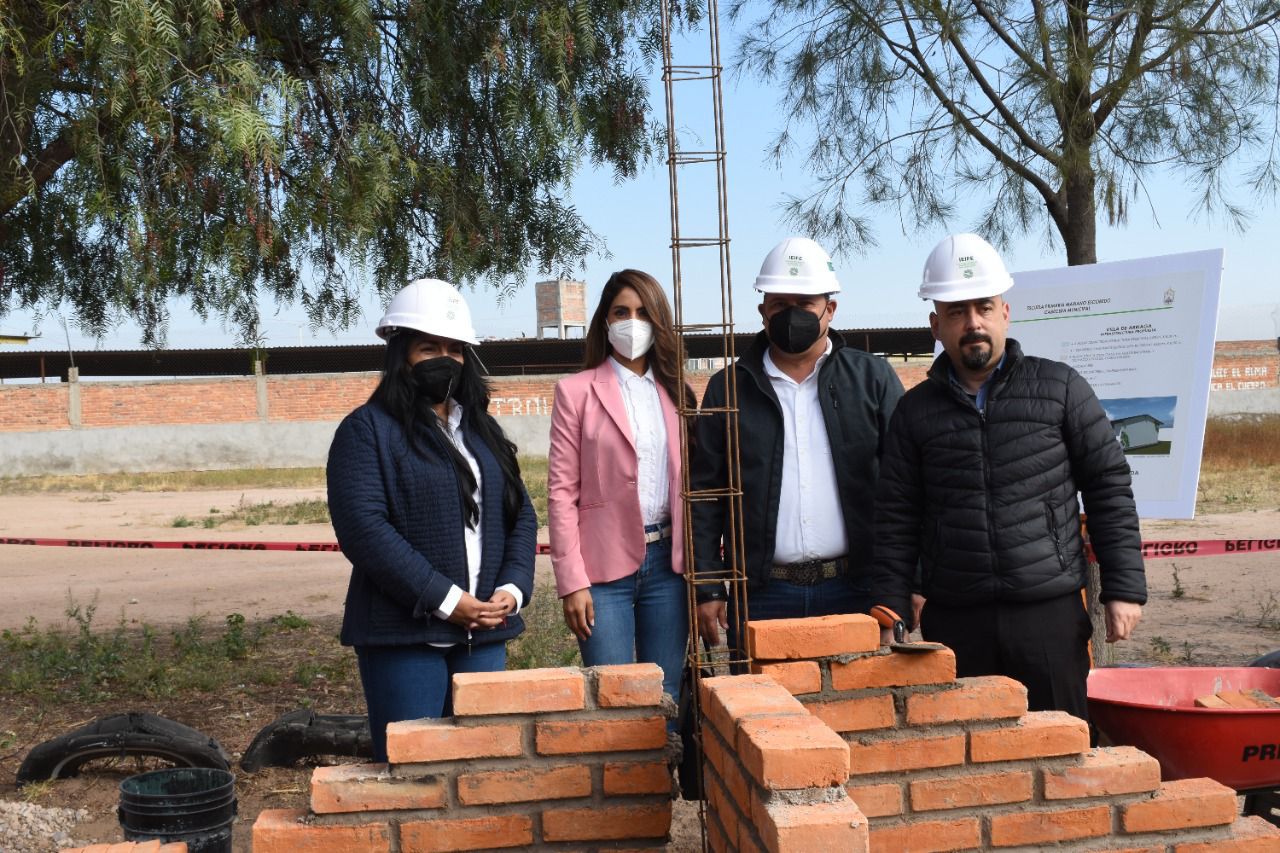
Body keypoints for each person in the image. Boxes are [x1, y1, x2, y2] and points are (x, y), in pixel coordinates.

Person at [870, 233, 1147, 720]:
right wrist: (891, 604)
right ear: (936, 325)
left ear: (1005, 313)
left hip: (1048, 614)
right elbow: (896, 515)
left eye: (983, 307)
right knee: (968, 752)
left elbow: (1109, 487)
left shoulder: (1060, 388)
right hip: (956, 620)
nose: (972, 323)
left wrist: (1122, 587)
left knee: (1061, 746)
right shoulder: (915, 412)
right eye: (956, 312)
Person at [327, 278, 537, 761]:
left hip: (484, 633)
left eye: (454, 349)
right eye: (428, 348)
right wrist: (447, 600)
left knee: (480, 767)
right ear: (400, 353)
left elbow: (520, 514)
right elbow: (364, 529)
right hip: (404, 639)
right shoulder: (367, 431)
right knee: (414, 772)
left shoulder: (482, 431)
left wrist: (512, 589)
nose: (445, 359)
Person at [691, 237, 905, 650]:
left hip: (857, 589)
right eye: (779, 304)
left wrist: (904, 582)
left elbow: (905, 486)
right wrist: (708, 585)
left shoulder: (872, 379)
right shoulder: (728, 389)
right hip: (762, 595)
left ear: (830, 309)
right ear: (763, 311)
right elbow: (706, 493)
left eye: (805, 303)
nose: (792, 315)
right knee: (762, 695)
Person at [547, 269, 690, 711]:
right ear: (605, 321)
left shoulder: (678, 394)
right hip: (601, 571)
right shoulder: (576, 392)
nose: (633, 322)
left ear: (659, 321)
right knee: (612, 700)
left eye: (644, 313)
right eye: (621, 312)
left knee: (665, 697)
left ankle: (666, 760)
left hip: (668, 567)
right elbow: (561, 492)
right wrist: (571, 582)